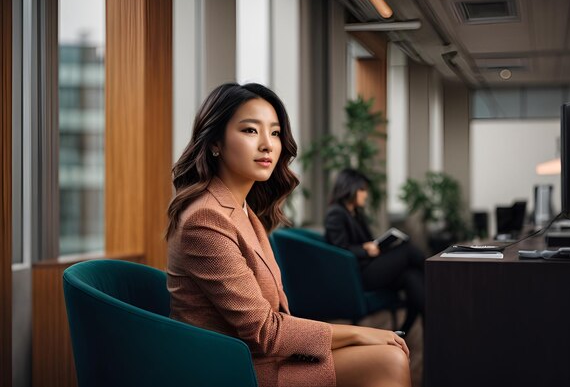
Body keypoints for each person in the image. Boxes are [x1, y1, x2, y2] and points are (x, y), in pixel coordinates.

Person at [166, 83, 410, 387]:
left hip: (260, 357)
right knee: (387, 359)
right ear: (215, 142)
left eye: (276, 132)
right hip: (233, 369)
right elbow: (265, 331)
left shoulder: (243, 211)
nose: (267, 144)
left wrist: (360, 337)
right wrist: (360, 332)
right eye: (251, 131)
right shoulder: (206, 218)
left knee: (383, 352)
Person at [324, 169, 425, 336]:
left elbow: (364, 242)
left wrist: (377, 246)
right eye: (362, 190)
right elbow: (338, 249)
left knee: (412, 276)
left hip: (370, 266)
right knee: (407, 251)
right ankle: (438, 281)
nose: (366, 195)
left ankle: (410, 328)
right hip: (360, 274)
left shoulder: (355, 213)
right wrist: (365, 248)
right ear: (349, 189)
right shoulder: (336, 213)